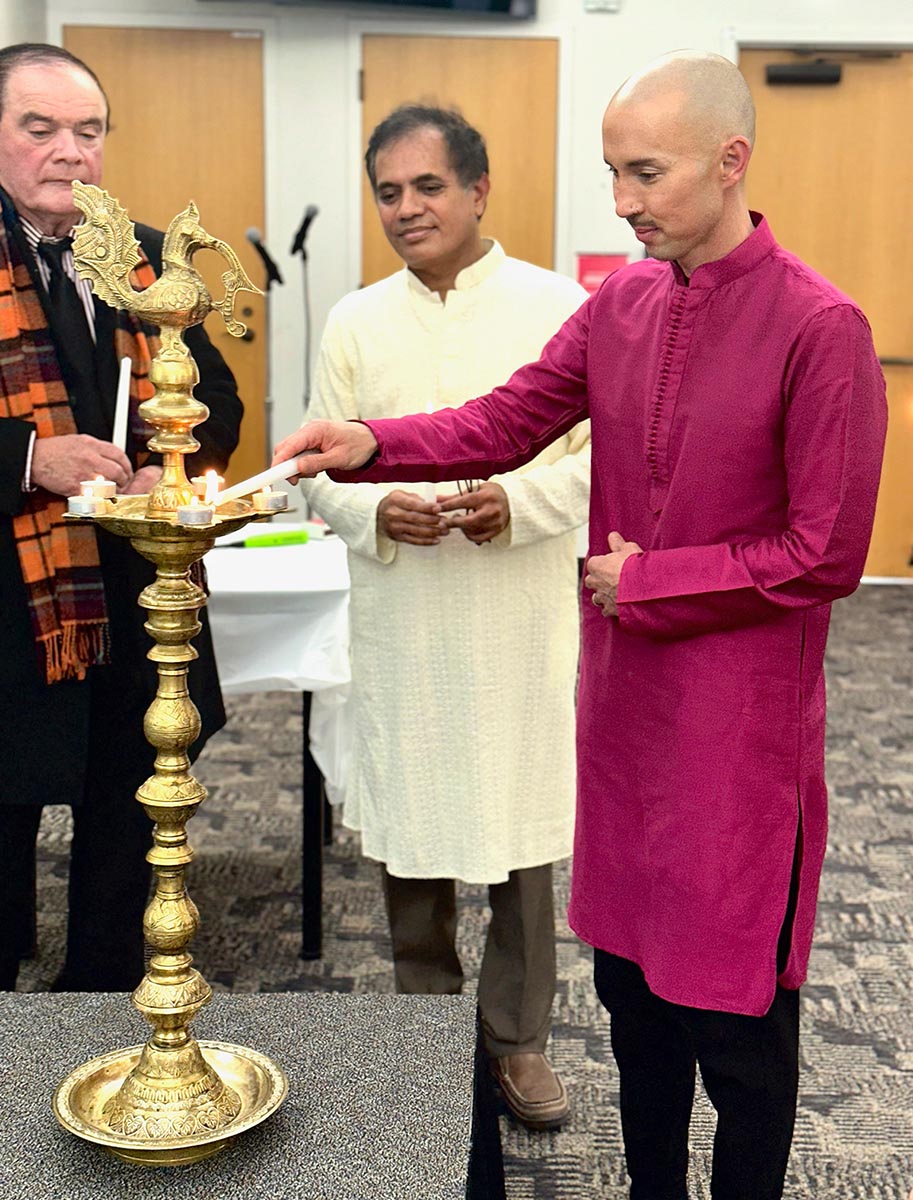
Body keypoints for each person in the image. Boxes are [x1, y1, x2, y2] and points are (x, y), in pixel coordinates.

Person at [277, 51, 887, 1198]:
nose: (621, 202)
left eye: (644, 174)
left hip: (735, 748)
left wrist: (648, 582)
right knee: (634, 1015)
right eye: (611, 172)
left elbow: (826, 554)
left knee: (740, 1045)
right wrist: (376, 443)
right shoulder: (621, 303)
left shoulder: (821, 327)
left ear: (730, 162)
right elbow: (512, 417)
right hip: (619, 730)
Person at [300, 105, 589, 1130]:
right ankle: (425, 1026)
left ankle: (517, 1042)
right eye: (388, 192)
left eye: (427, 187)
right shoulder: (353, 319)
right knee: (410, 821)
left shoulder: (562, 309)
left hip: (516, 607)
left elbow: (604, 468)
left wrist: (524, 503)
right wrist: (377, 506)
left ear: (478, 190)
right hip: (405, 609)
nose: (407, 209)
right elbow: (311, 473)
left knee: (518, 828)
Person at [0, 44, 242, 993]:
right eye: (40, 128)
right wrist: (28, 459)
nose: (70, 152)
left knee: (125, 818)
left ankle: (101, 993)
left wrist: (163, 465)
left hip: (136, 596)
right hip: (15, 614)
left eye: (88, 131)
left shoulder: (143, 254)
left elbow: (216, 398)